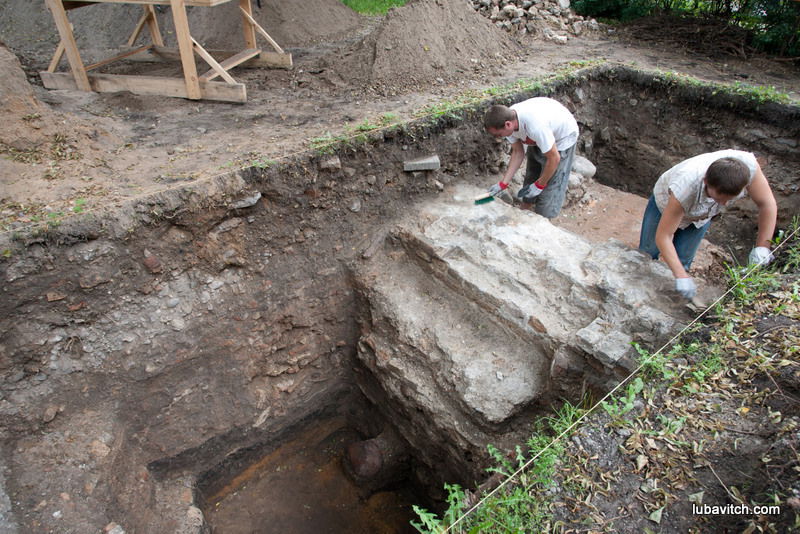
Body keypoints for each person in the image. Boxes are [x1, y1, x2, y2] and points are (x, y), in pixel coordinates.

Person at [638, 149, 778, 299]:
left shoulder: (747, 169)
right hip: (666, 204)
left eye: (730, 198)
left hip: (701, 215)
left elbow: (767, 204)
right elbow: (664, 236)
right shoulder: (685, 187)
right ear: (706, 181)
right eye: (720, 197)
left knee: (683, 260)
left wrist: (763, 246)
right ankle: (638, 290)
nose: (724, 204)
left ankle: (671, 301)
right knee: (648, 252)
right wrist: (681, 276)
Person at [484, 97, 579, 218]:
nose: (498, 137)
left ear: (508, 124)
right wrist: (503, 184)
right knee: (532, 173)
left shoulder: (536, 127)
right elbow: (518, 153)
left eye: (498, 134)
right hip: (541, 135)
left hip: (562, 138)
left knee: (551, 185)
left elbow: (554, 158)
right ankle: (524, 211)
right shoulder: (507, 119)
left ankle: (544, 219)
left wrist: (540, 184)